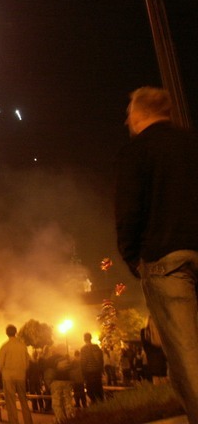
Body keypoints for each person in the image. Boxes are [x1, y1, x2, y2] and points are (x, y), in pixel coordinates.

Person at [115, 86, 198, 422]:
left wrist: (132, 257)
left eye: (129, 114)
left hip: (165, 259)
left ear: (139, 114)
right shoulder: (192, 142)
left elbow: (129, 211)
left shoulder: (137, 152)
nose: (127, 121)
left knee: (187, 353)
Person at [0, 325, 33, 424]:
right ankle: (28, 421)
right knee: (23, 400)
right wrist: (22, 370)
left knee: (11, 402)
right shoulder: (22, 346)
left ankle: (14, 421)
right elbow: (27, 362)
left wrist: (5, 372)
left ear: (6, 333)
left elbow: (1, 364)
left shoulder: (4, 347)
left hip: (8, 376)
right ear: (15, 332)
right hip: (21, 375)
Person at [79, 333, 104, 404]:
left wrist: (83, 373)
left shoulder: (83, 349)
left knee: (90, 390)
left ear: (84, 339)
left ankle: (94, 403)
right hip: (97, 371)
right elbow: (101, 359)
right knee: (98, 388)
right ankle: (101, 403)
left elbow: (83, 362)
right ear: (91, 338)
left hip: (88, 372)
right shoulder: (96, 347)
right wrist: (101, 369)